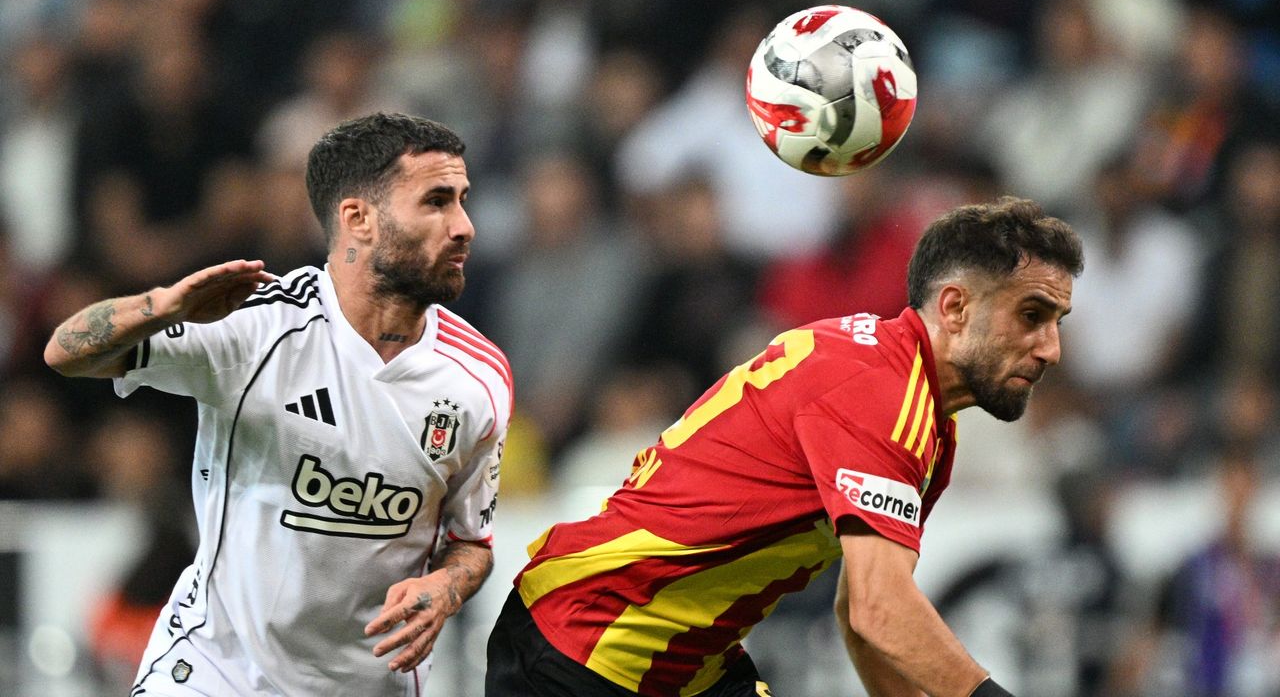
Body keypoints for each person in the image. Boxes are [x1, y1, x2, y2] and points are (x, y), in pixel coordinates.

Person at [486, 197, 1083, 697]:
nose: (1051, 348)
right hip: (583, 644)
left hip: (682, 665)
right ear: (954, 307)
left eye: (1057, 321)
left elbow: (865, 615)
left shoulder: (919, 409)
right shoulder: (882, 397)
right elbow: (880, 610)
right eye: (1031, 315)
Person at [44, 112, 511, 696]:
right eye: (437, 202)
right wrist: (161, 307)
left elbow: (471, 544)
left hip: (371, 685)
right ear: (358, 219)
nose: (464, 226)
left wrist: (445, 588)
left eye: (463, 200)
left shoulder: (478, 378)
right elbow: (66, 352)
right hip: (214, 672)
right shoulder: (255, 327)